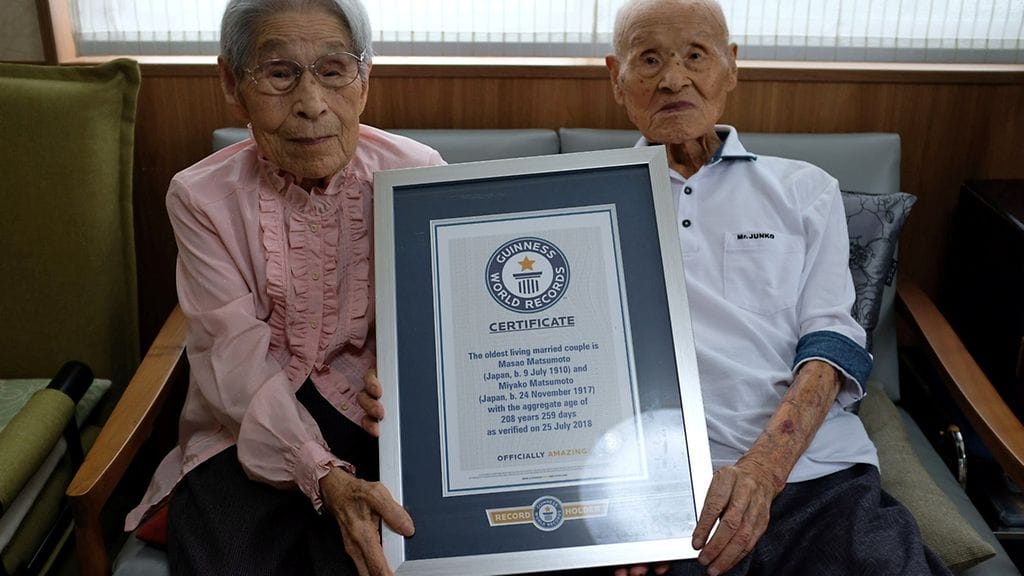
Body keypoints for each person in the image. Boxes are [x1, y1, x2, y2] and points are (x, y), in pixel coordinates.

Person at [604, 1, 951, 575]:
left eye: (696, 55)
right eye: (649, 59)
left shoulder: (804, 189)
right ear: (615, 77)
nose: (673, 79)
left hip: (814, 476)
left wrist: (764, 471)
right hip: (664, 486)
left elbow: (833, 339)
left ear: (731, 66)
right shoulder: (588, 197)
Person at [123, 1, 444, 575]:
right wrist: (323, 473)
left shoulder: (418, 173)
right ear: (232, 83)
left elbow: (445, 324)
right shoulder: (200, 198)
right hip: (247, 415)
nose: (311, 104)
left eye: (333, 70)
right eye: (279, 74)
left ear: (364, 79)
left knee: (409, 547)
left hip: (376, 416)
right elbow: (232, 359)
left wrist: (408, 377)